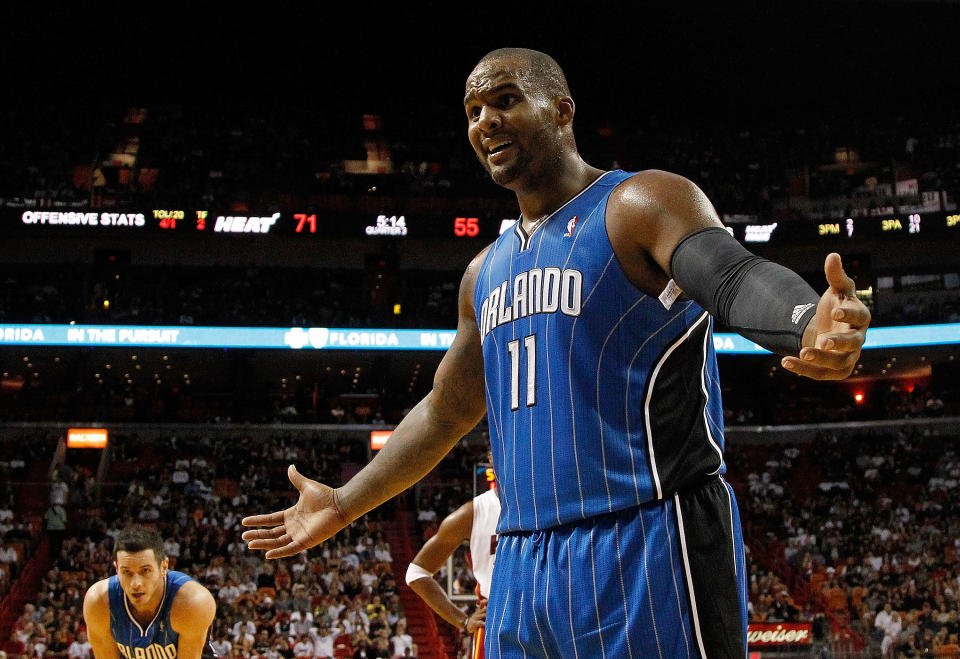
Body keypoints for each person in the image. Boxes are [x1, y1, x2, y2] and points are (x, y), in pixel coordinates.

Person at [243, 47, 871, 657]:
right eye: (472, 111)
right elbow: (443, 414)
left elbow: (734, 278)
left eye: (505, 100)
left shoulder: (639, 204)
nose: (484, 121)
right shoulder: (483, 273)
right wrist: (346, 501)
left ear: (562, 110)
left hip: (649, 536)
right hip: (522, 562)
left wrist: (803, 320)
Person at [82, 526, 217, 659]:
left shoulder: (192, 602)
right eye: (126, 572)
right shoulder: (99, 602)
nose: (136, 583)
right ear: (116, 569)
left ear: (164, 567)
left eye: (145, 570)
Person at [405, 486, 499, 658]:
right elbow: (416, 573)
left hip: (547, 617)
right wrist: (463, 621)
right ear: (491, 458)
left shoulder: (548, 503)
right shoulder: (473, 513)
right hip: (496, 623)